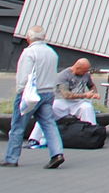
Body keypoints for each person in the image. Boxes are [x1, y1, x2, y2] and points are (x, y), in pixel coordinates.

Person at [4, 25, 65, 168]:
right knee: (49, 124)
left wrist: (20, 91)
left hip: (31, 94)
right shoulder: (52, 53)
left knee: (18, 126)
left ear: (28, 38)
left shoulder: (29, 53)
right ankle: (57, 153)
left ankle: (11, 158)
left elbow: (24, 76)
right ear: (44, 37)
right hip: (48, 92)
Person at [31, 57, 99, 148]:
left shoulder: (86, 74)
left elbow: (91, 85)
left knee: (87, 108)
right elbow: (66, 95)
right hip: (61, 101)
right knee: (47, 112)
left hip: (78, 102)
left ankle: (92, 134)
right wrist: (85, 95)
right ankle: (35, 139)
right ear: (77, 68)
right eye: (84, 71)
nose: (85, 73)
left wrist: (94, 93)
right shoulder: (63, 75)